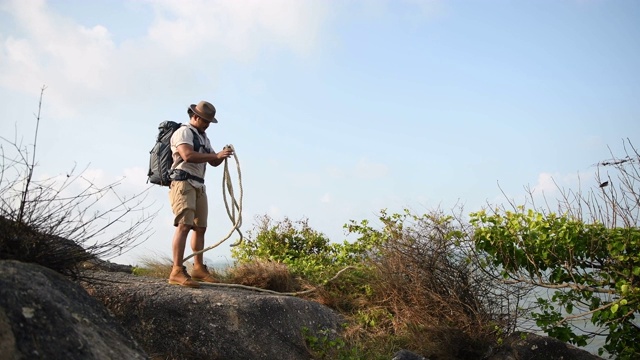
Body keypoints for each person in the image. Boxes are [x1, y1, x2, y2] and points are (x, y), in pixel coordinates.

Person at [167, 100, 233, 288]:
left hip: (198, 184)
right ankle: (177, 270)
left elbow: (213, 162)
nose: (207, 125)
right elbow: (188, 155)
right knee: (184, 225)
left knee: (200, 227)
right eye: (205, 121)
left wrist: (223, 155)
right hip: (183, 182)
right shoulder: (183, 132)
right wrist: (215, 155)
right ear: (195, 117)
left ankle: (198, 268)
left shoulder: (204, 138)